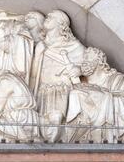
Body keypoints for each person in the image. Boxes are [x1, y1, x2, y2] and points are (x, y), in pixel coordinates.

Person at [67, 47, 124, 143]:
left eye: (88, 58)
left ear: (99, 62)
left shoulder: (119, 81)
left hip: (114, 137)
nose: (83, 62)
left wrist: (100, 96)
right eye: (83, 59)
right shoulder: (80, 85)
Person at [29, 10, 85, 142]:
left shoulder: (73, 45)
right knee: (42, 126)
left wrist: (79, 70)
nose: (47, 17)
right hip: (42, 91)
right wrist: (37, 55)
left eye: (51, 17)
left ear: (61, 24)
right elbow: (32, 75)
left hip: (60, 89)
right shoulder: (40, 45)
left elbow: (90, 63)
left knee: (56, 120)